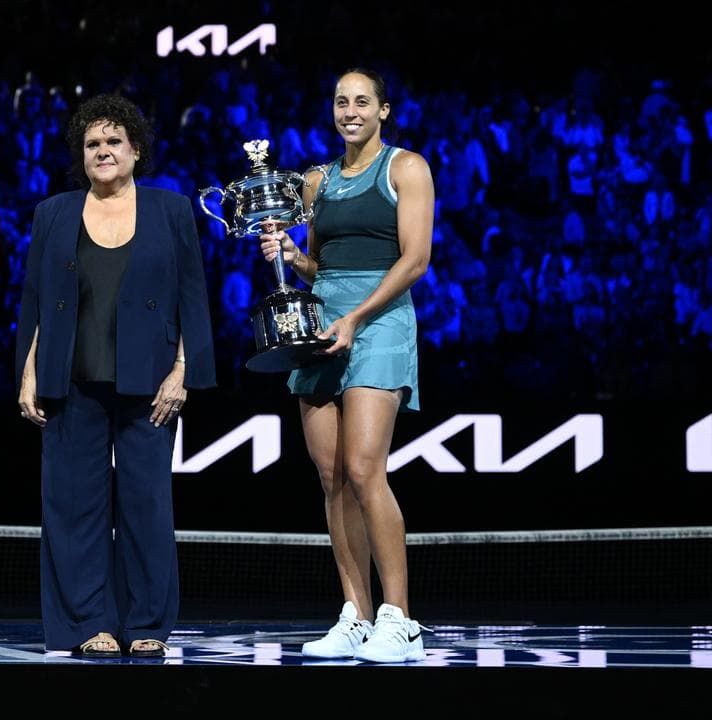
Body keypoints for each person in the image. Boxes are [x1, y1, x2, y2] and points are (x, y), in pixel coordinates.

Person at [15, 94, 215, 657]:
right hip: (69, 379)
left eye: (113, 142)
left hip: (150, 383)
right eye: (92, 144)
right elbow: (35, 300)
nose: (103, 151)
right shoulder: (53, 213)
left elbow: (192, 300)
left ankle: (146, 623)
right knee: (73, 508)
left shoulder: (172, 210)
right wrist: (27, 373)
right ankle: (87, 625)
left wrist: (184, 371)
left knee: (147, 506)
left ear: (136, 149)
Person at [260, 68, 433, 662]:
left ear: (384, 110)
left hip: (378, 321)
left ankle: (400, 618)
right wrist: (292, 255)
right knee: (331, 475)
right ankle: (355, 614)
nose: (350, 110)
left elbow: (414, 261)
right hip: (320, 325)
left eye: (363, 101)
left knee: (364, 469)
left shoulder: (406, 168)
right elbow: (320, 267)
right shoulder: (317, 181)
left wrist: (356, 317)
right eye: (341, 101)